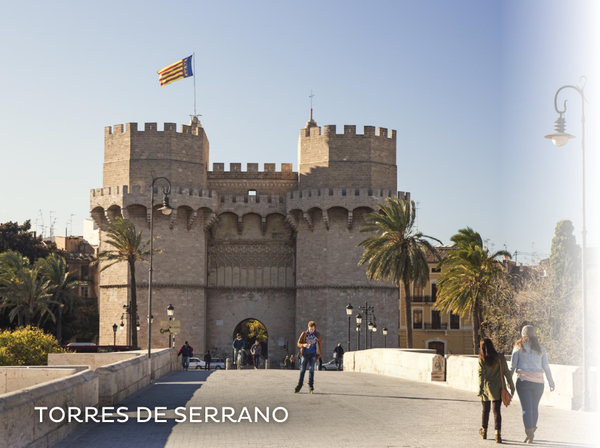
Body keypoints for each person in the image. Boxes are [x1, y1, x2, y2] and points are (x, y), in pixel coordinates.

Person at [511, 325, 555, 444]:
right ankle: (531, 433)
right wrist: (551, 382)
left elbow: (512, 366)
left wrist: (508, 381)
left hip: (524, 382)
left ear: (522, 334)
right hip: (539, 383)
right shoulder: (541, 349)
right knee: (534, 407)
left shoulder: (518, 348)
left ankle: (530, 434)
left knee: (526, 409)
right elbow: (546, 367)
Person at [477, 338, 514, 444]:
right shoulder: (499, 357)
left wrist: (480, 389)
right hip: (498, 387)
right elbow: (506, 372)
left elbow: (481, 375)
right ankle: (497, 434)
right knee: (496, 411)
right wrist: (511, 385)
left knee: (485, 410)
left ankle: (484, 431)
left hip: (486, 387)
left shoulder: (481, 359)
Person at [294, 321, 322, 394]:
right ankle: (299, 385)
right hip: (305, 354)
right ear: (308, 328)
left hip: (313, 354)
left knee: (311, 369)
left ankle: (311, 386)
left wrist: (318, 356)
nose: (311, 330)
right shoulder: (304, 334)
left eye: (312, 329)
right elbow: (298, 343)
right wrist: (303, 345)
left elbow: (319, 346)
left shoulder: (317, 335)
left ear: (314, 328)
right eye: (310, 329)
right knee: (302, 369)